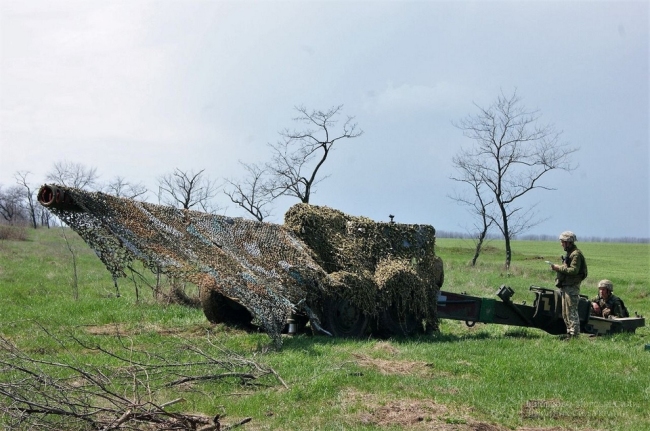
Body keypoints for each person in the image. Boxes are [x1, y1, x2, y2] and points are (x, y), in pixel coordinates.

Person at [549, 231, 587, 339]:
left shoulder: (576, 254)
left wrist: (558, 268)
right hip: (566, 286)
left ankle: (574, 336)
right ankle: (569, 334)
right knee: (565, 313)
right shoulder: (570, 253)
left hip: (572, 287)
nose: (561, 244)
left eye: (562, 242)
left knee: (571, 312)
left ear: (568, 242)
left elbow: (574, 270)